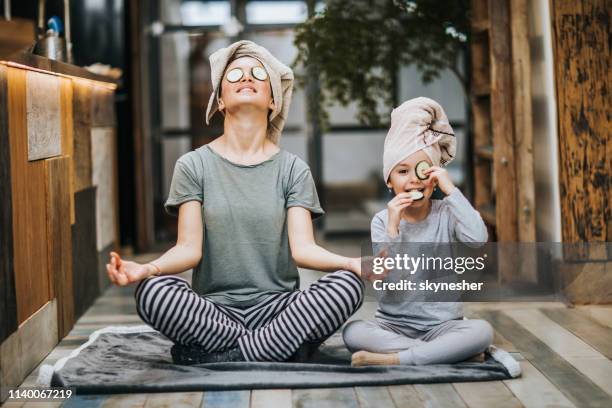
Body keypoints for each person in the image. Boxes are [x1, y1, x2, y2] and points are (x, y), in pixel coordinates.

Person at [106, 40, 367, 364]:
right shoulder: (193, 165)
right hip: (213, 313)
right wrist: (147, 268)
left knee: (347, 285)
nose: (246, 77)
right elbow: (189, 249)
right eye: (234, 75)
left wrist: (350, 264)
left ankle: (225, 355)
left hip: (279, 310)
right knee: (151, 292)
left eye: (258, 73)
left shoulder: (293, 169)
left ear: (273, 100)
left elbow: (303, 250)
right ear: (219, 100)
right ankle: (275, 349)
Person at [342, 97, 518, 376]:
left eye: (422, 170)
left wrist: (452, 192)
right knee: (353, 332)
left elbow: (477, 237)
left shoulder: (447, 212)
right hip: (393, 324)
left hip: (443, 325)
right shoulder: (382, 221)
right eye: (402, 172)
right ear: (390, 182)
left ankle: (400, 359)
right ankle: (446, 354)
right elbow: (391, 281)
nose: (413, 179)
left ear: (434, 177)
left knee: (482, 330)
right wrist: (392, 230)